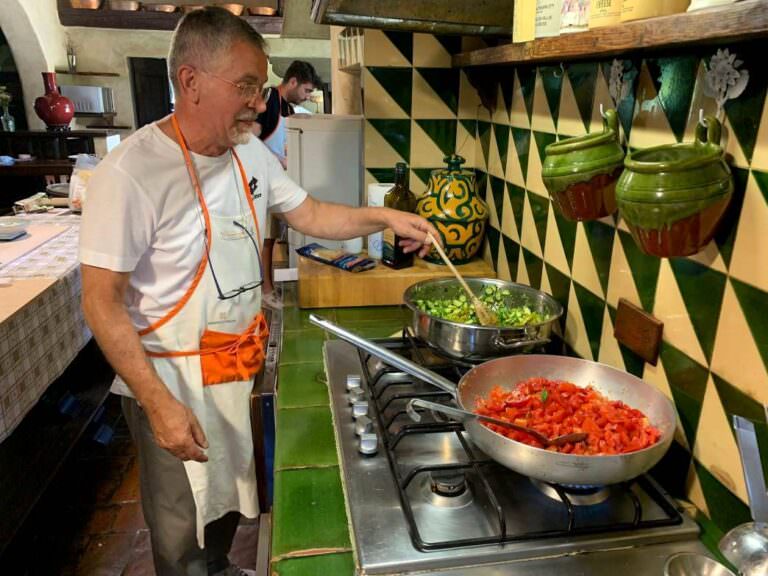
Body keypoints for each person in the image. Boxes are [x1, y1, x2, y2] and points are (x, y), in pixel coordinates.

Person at [78, 8, 437, 576]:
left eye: (262, 87)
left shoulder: (249, 153)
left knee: (227, 502)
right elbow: (100, 301)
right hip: (172, 379)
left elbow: (310, 214)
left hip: (235, 365)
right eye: (245, 86)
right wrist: (158, 404)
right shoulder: (129, 174)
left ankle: (221, 567)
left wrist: (384, 217)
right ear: (191, 81)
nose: (258, 102)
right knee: (182, 528)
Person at [255, 60, 321, 168]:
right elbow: (250, 139)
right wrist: (279, 160)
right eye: (307, 91)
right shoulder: (269, 98)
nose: (308, 97)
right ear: (293, 82)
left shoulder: (290, 109)